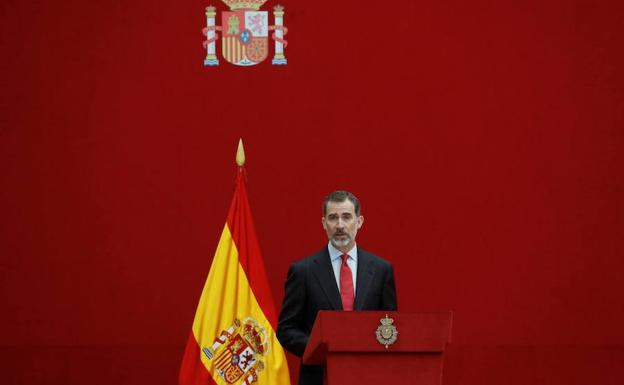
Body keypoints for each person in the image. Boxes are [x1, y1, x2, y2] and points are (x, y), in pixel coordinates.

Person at [276, 190, 398, 385]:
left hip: (369, 377)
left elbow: (390, 325)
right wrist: (322, 350)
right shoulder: (303, 271)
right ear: (324, 223)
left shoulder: (382, 270)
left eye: (346, 217)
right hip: (318, 377)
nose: (340, 225)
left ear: (359, 222)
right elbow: (286, 329)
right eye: (333, 218)